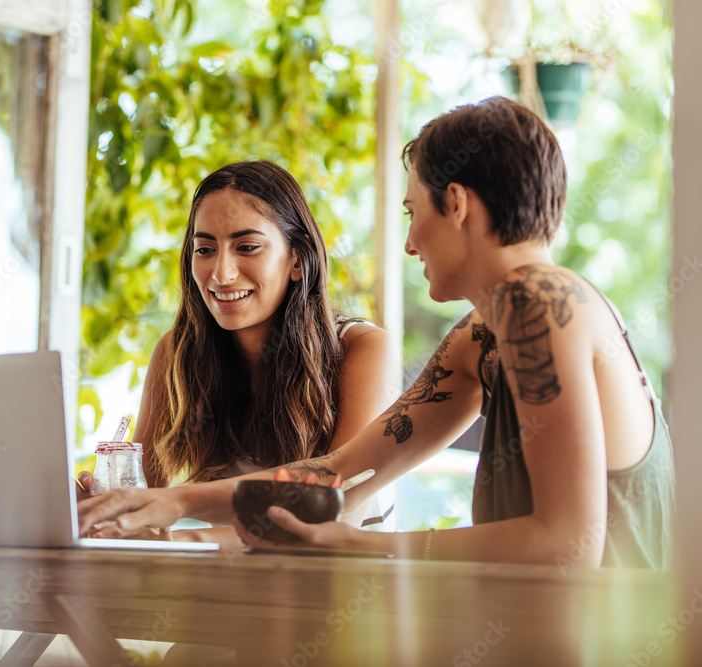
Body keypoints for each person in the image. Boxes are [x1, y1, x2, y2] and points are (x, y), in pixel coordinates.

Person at [79, 97, 675, 568]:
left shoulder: (539, 301)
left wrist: (363, 545)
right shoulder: (481, 334)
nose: (410, 242)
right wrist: (172, 499)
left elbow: (567, 543)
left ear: (459, 204)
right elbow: (337, 474)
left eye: (414, 212)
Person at [79, 160, 399, 547]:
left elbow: (336, 518)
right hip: (219, 592)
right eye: (205, 249)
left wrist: (184, 536)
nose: (221, 274)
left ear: (297, 259)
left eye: (246, 247)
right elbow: (141, 500)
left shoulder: (361, 348)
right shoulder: (177, 353)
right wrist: (98, 511)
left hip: (334, 594)